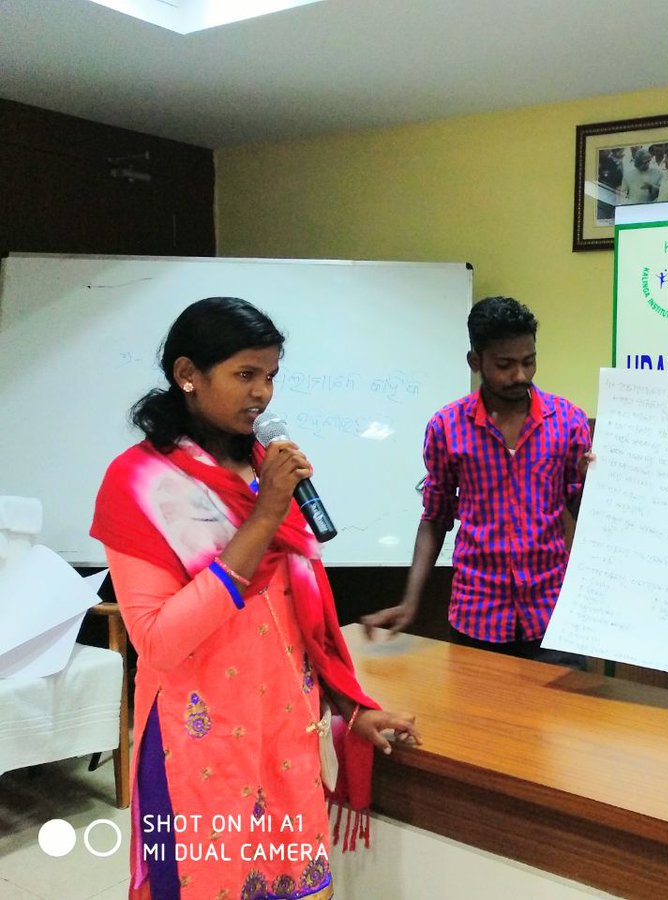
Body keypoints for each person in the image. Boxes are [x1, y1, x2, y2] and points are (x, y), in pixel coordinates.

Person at [91, 297, 421, 900]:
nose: (263, 394)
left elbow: (305, 616)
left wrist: (350, 704)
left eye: (271, 376)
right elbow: (158, 641)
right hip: (199, 738)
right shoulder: (138, 483)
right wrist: (265, 516)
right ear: (188, 374)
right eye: (246, 374)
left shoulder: (265, 467)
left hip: (285, 730)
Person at [361, 296, 591, 668]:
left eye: (528, 361)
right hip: (478, 616)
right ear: (475, 361)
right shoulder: (447, 427)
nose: (520, 375)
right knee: (483, 725)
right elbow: (435, 518)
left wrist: (596, 486)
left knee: (562, 726)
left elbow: (584, 512)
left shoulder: (568, 421)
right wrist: (411, 601)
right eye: (505, 365)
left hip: (554, 614)